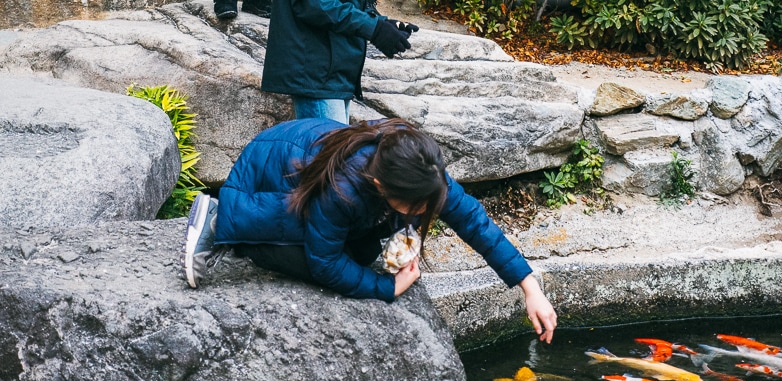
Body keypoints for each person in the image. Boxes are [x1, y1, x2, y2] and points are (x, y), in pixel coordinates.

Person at [180, 118, 558, 343]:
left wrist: (530, 286)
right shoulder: (342, 190)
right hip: (260, 181)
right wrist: (386, 288)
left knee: (359, 255)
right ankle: (223, 220)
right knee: (310, 242)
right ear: (381, 188)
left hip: (303, 165)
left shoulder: (424, 175)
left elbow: (473, 221)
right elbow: (325, 263)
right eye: (417, 208)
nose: (427, 213)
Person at [260, 0, 418, 124]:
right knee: (328, 161)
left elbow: (344, 4)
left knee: (332, 159)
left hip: (334, 72)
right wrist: (374, 28)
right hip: (316, 73)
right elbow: (316, 6)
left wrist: (381, 24)